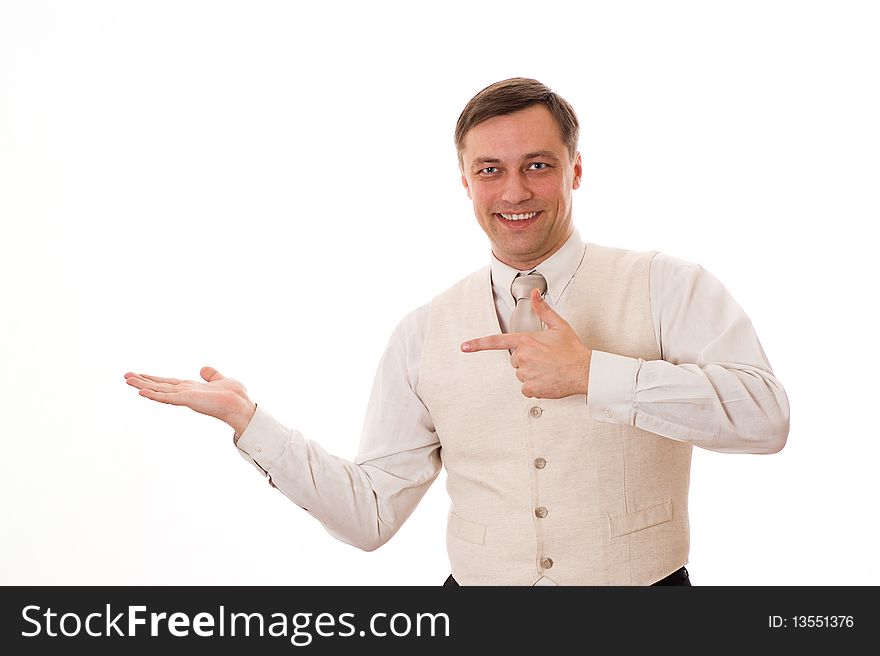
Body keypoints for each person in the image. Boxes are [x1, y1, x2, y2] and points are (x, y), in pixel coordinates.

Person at [124, 77, 789, 586]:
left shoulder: (667, 285)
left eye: (538, 164)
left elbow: (766, 419)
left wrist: (593, 374)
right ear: (466, 182)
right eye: (490, 171)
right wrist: (250, 421)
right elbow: (370, 515)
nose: (515, 192)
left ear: (575, 170)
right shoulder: (423, 333)